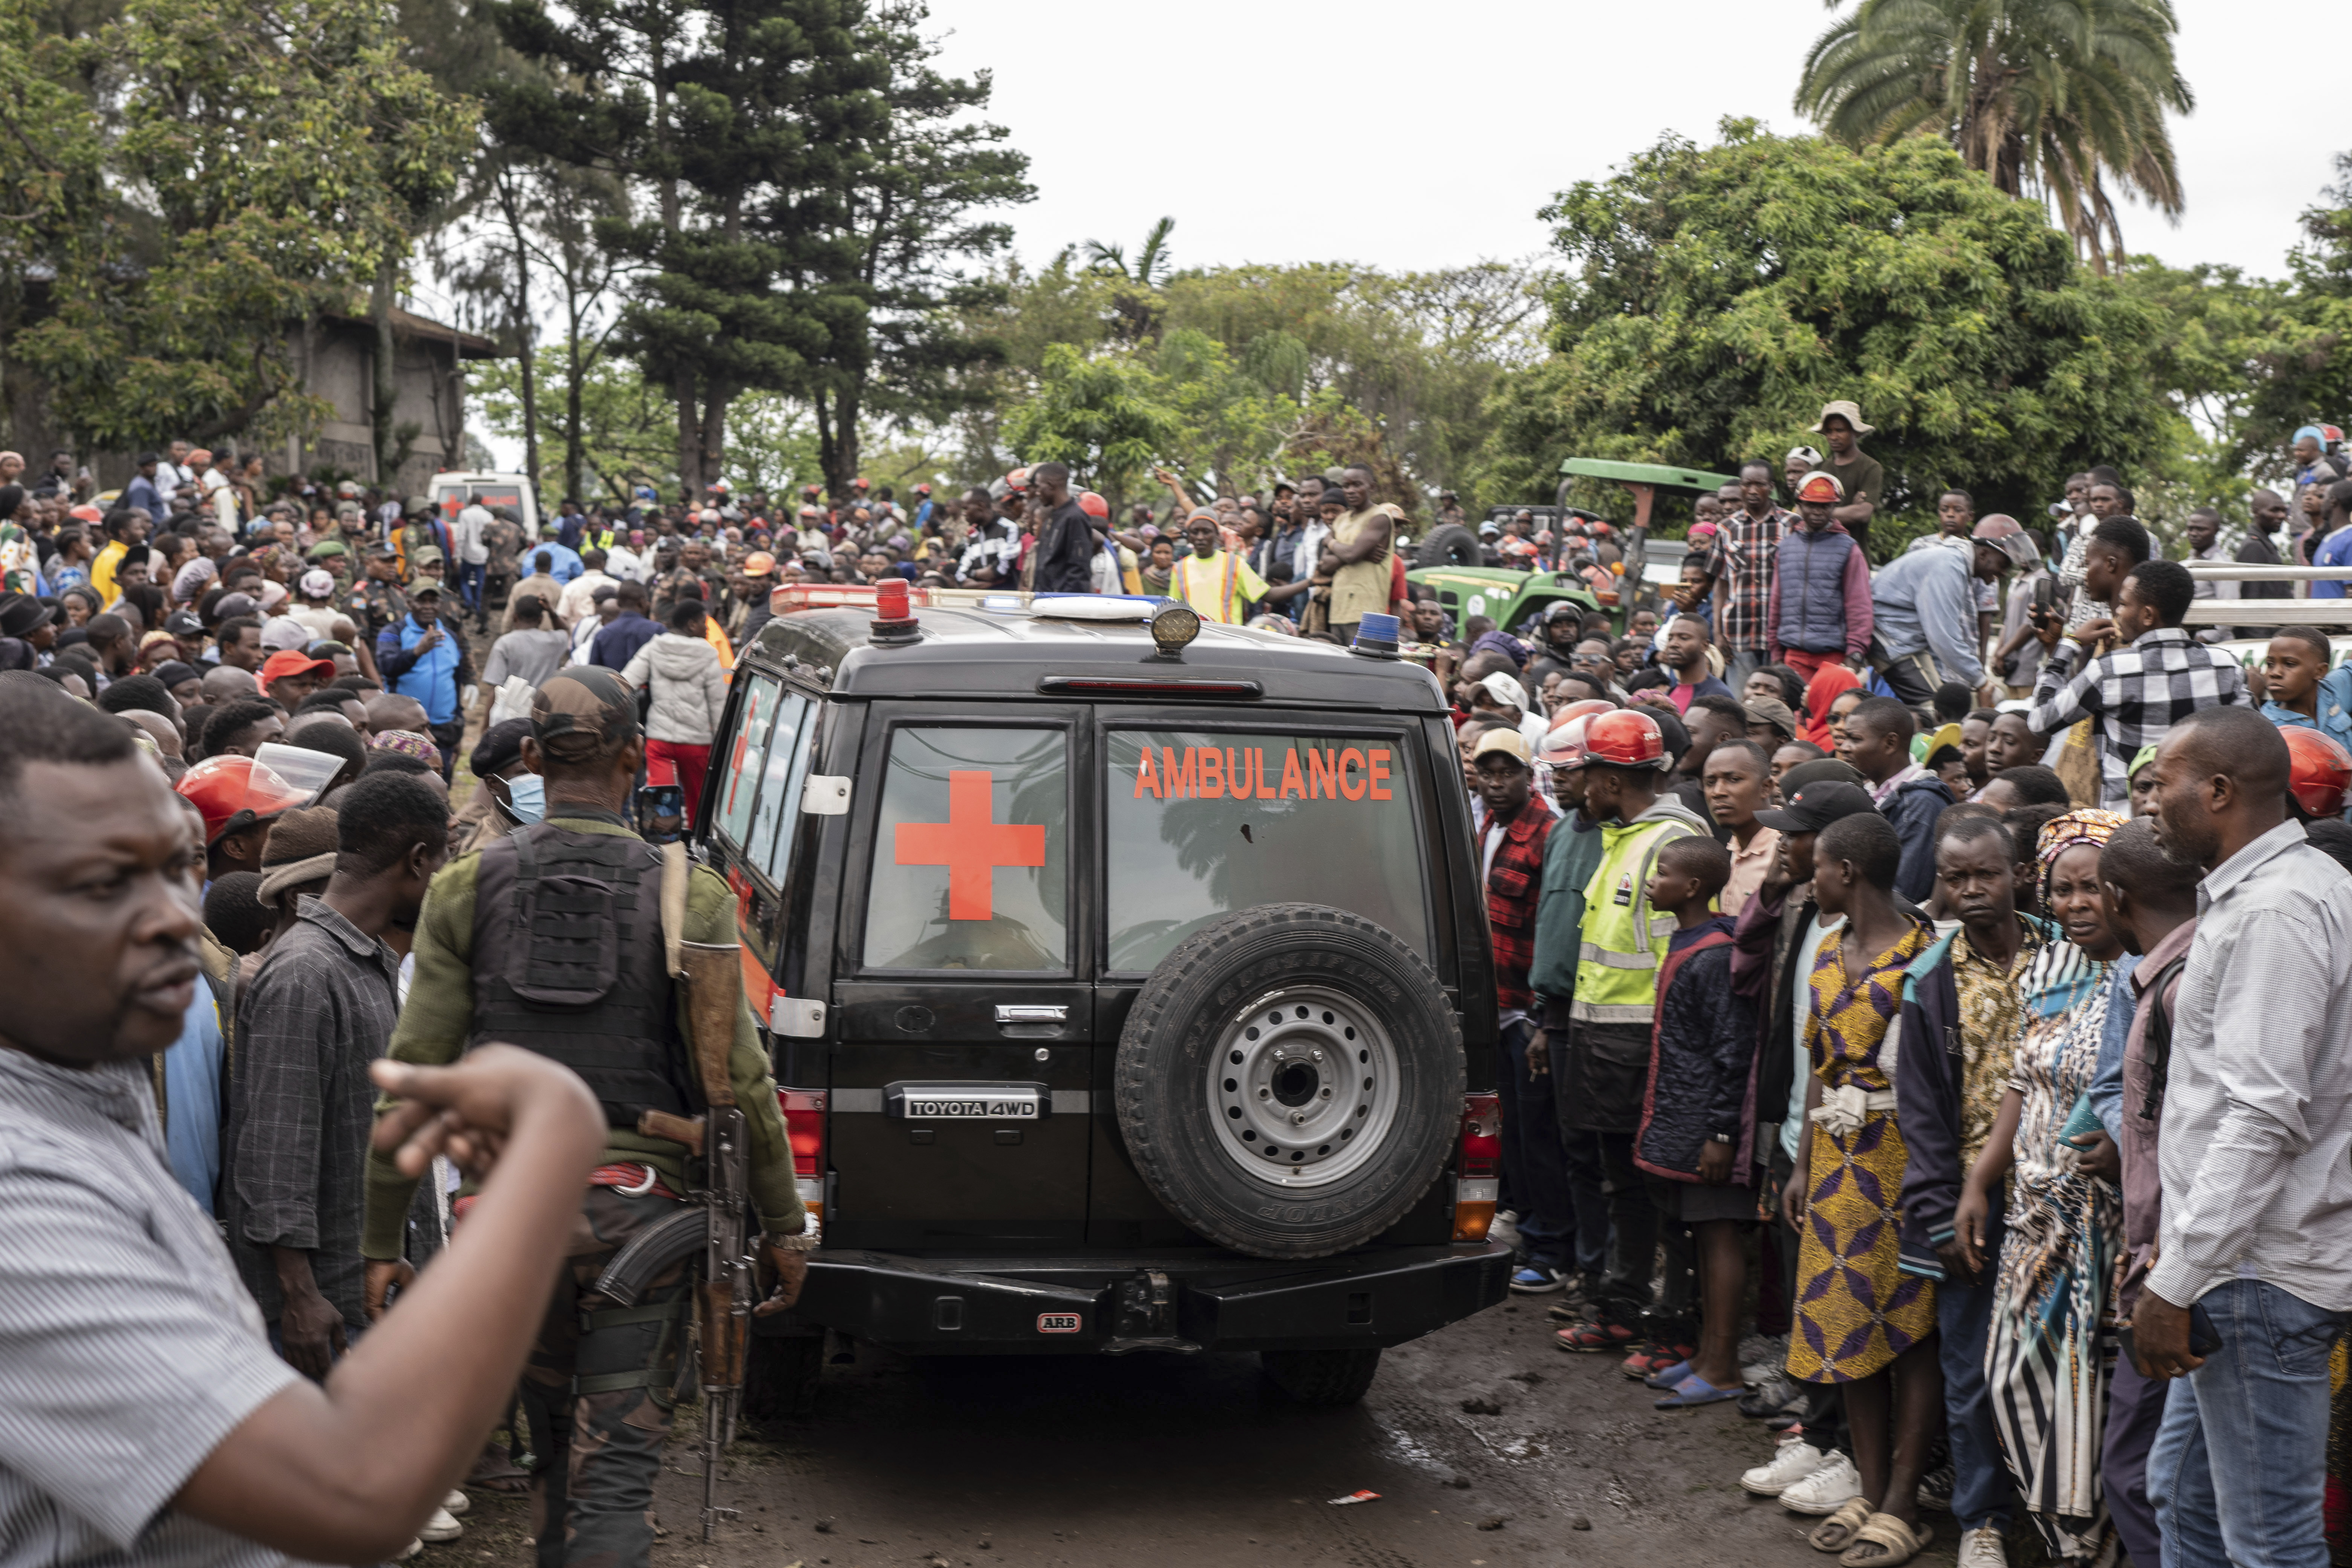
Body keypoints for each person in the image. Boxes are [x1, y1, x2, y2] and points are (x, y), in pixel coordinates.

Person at [0, 675, 616, 1568]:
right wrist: (553, 1140)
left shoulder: (93, 1077)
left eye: (178, 864)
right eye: (101, 882)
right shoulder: (20, 1194)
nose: (175, 916)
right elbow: (353, 1484)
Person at [360, 668, 810, 1568]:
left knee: (555, 1454)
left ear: (529, 756)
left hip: (506, 1225)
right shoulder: (694, 897)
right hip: (640, 1214)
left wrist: (379, 1243)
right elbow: (744, 1088)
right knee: (616, 1474)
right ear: (637, 757)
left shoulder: (462, 888)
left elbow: (411, 1080)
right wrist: (782, 1224)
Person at [2136, 706, 2352, 1568]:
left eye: (2160, 786)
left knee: (2271, 1541)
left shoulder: (2278, 911)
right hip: (2233, 1266)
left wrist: (2175, 1281)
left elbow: (2261, 1116)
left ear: (2218, 791)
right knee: (2183, 1500)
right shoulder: (2273, 893)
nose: (2148, 804)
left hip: (2256, 1274)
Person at [225, 774, 448, 1381]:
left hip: (368, 1298)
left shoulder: (366, 962)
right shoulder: (306, 974)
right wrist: (300, 1296)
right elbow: (274, 1156)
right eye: (443, 865)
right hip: (327, 1312)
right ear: (418, 860)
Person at [1957, 811, 2127, 1560]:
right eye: (2063, 888)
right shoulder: (2051, 969)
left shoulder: (2144, 973)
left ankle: (2093, 1546)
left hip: (2103, 1226)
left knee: (2088, 1398)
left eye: (2092, 887)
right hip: (2032, 1218)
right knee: (2010, 1382)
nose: (2077, 902)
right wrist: (1978, 1181)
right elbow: (2021, 1084)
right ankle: (2067, 1535)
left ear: (2122, 891)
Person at [1884, 810, 2047, 1568]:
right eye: (1956, 878)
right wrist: (1940, 1211)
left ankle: (2060, 1511)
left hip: (2061, 1197)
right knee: (1972, 1366)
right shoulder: (1931, 978)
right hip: (1968, 1200)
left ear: (2018, 873)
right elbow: (1920, 1111)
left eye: (1987, 873)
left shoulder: (2069, 953)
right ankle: (1981, 1516)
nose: (1973, 890)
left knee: (2054, 1362)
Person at [1782, 811, 1940, 1565]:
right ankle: (1871, 1491)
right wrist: (1800, 1161)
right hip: (1837, 1163)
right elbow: (1819, 1065)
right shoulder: (1826, 949)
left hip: (1900, 1159)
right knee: (1845, 1319)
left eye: (1817, 865)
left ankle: (1905, 1501)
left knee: (1909, 1328)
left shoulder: (1923, 954)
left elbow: (1936, 1077)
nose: (1810, 877)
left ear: (1847, 872)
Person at [1551, 710, 1710, 1354]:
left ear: (1612, 780)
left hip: (1643, 1045)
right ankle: (1621, 1306)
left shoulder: (1669, 844)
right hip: (1605, 1041)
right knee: (1623, 1185)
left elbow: (1685, 963)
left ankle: (1668, 1323)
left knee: (1655, 1190)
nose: (1578, 787)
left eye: (1584, 774)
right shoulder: (1624, 838)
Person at [2087, 818, 2202, 1568]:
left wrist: (2172, 1270)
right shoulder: (2154, 975)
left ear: (2117, 897)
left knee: (2153, 1473)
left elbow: (2220, 1139)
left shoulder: (2188, 981)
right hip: (2172, 1259)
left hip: (2186, 1264)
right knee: (2160, 1475)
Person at [1629, 836, 1758, 1407]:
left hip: (1709, 1130)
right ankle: (1707, 1355)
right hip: (1686, 1121)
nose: (1652, 881)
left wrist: (1722, 1134)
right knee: (1702, 1238)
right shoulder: (1688, 941)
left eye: (1662, 872)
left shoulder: (1711, 954)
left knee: (1719, 1234)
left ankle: (1724, 1365)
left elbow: (1732, 1050)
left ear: (1694, 887)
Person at [1469, 728, 1570, 1294]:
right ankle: (1517, 1217)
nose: (1497, 781)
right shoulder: (1487, 825)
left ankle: (1551, 1247)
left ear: (1529, 777)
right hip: (1496, 1002)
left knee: (1538, 1133)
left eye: (1508, 771)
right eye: (1489, 771)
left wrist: (1544, 1015)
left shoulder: (1546, 833)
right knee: (1504, 1125)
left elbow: (1550, 928)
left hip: (1529, 1009)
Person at [2027, 557, 2247, 810]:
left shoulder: (2110, 670)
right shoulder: (2226, 666)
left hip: (2129, 825)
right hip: (2199, 818)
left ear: (2147, 616)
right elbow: (2246, 742)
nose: (2117, 612)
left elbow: (2040, 722)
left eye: (2123, 604)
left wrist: (2068, 645)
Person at [1869, 522, 2019, 706]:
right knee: (1934, 714)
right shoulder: (1949, 566)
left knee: (1942, 710)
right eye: (2003, 564)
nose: (2004, 573)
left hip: (1904, 641)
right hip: (1892, 640)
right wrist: (1982, 682)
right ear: (1983, 553)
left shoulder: (1954, 562)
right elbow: (1943, 636)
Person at [1675, 459, 1790, 686]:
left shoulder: (1791, 524)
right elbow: (1721, 584)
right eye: (1748, 485)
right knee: (1742, 702)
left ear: (1772, 487)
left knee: (1778, 698)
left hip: (1780, 631)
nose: (1754, 491)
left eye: (1760, 485)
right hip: (1738, 631)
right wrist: (1718, 632)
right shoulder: (1727, 528)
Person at [620, 599, 729, 828]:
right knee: (698, 801)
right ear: (691, 625)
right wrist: (722, 745)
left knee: (661, 799)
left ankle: (663, 849)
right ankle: (696, 847)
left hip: (660, 740)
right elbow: (717, 703)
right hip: (697, 742)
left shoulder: (655, 647)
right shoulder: (709, 654)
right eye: (704, 623)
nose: (708, 629)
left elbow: (626, 682)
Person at [1839, 697, 1956, 903]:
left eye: (1855, 739)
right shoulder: (1870, 790)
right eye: (1845, 739)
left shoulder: (1921, 803)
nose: (1845, 748)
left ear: (1890, 743)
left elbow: (1905, 891)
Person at [1766, 472, 1873, 683]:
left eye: (1824, 506)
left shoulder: (1849, 549)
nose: (1817, 511)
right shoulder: (1786, 548)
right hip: (1793, 657)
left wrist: (1855, 655)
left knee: (1829, 716)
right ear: (1799, 505)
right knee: (1795, 717)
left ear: (1834, 508)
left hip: (1835, 657)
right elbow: (1777, 602)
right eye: (1811, 505)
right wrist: (1776, 653)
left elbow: (1859, 606)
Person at [374, 582, 474, 782]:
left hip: (444, 730)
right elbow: (386, 666)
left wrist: (458, 728)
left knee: (440, 785)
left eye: (433, 601)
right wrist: (417, 651)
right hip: (406, 732)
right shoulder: (393, 632)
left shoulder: (451, 637)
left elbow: (455, 684)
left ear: (440, 604)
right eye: (422, 601)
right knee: (404, 784)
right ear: (410, 603)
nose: (428, 606)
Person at [1703, 738, 1778, 913]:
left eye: (1734, 780)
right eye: (1710, 783)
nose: (1718, 792)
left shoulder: (1785, 851)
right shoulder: (1735, 844)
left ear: (1766, 788)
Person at [1321, 466, 1393, 644]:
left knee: (1364, 669)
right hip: (1338, 610)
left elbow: (1352, 555)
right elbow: (1324, 565)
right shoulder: (1341, 520)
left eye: (1357, 485)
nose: (1351, 490)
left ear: (1372, 487)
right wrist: (1357, 554)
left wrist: (1330, 541)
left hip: (1367, 611)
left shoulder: (1379, 518)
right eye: (1346, 486)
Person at [2260, 622, 2352, 754]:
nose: (2275, 673)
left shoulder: (2332, 692)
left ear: (2320, 671)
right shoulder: (2268, 729)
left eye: (2289, 664)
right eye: (2270, 664)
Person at [1167, 508, 1269, 625]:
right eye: (1195, 532)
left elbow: (1266, 594)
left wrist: (1296, 586)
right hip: (1194, 641)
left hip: (1229, 640)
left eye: (1206, 532)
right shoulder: (1179, 568)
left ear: (1217, 534)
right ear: (1189, 536)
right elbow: (1174, 610)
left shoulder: (1234, 563)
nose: (1200, 537)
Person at [1807, 401, 1884, 553]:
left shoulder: (1870, 468)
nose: (1833, 437)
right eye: (1829, 431)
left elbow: (1862, 514)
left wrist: (1818, 513)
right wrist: (1849, 510)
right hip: (1819, 553)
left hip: (1854, 554)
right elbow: (1802, 512)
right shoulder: (1819, 470)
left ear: (1854, 432)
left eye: (1840, 430)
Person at [1028, 462, 1095, 594]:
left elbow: (1079, 570)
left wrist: (1065, 605)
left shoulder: (1075, 518)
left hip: (1061, 605)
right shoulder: (1052, 516)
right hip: (1045, 600)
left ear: (1051, 486)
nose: (1037, 492)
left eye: (1038, 487)